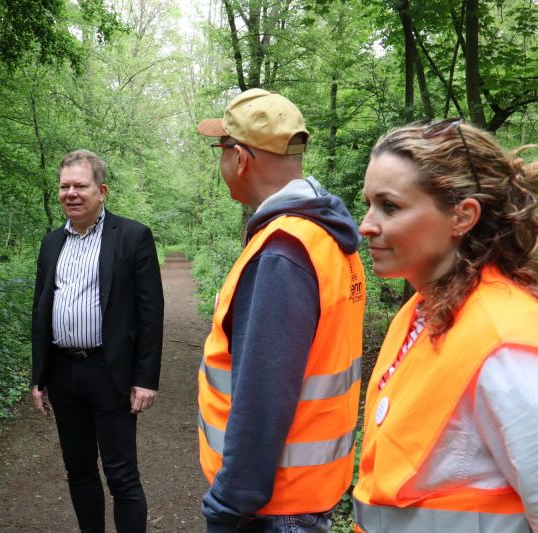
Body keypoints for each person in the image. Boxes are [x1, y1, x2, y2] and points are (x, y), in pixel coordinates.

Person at [353, 120, 538, 532]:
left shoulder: (504, 341)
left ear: (462, 216)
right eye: (368, 203)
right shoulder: (421, 312)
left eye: (390, 206)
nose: (366, 225)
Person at [196, 88, 366, 532]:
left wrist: (228, 505)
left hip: (271, 509)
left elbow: (263, 397)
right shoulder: (326, 238)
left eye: (221, 149)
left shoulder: (282, 253)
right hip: (306, 494)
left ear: (240, 159)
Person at [30, 149, 164, 533]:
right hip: (63, 371)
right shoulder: (52, 242)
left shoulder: (133, 237)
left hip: (111, 372)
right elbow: (40, 311)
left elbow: (150, 312)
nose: (71, 193)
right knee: (79, 471)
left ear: (101, 190)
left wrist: (146, 378)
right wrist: (38, 376)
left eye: (80, 186)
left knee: (121, 475)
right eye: (64, 186)